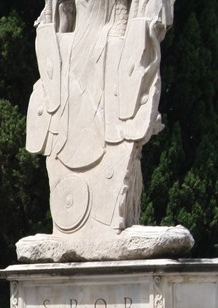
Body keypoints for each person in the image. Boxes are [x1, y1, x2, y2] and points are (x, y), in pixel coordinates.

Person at [26, 0, 172, 240]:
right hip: (74, 59)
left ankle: (108, 220)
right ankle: (78, 225)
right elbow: (57, 15)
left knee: (117, 136)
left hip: (116, 51)